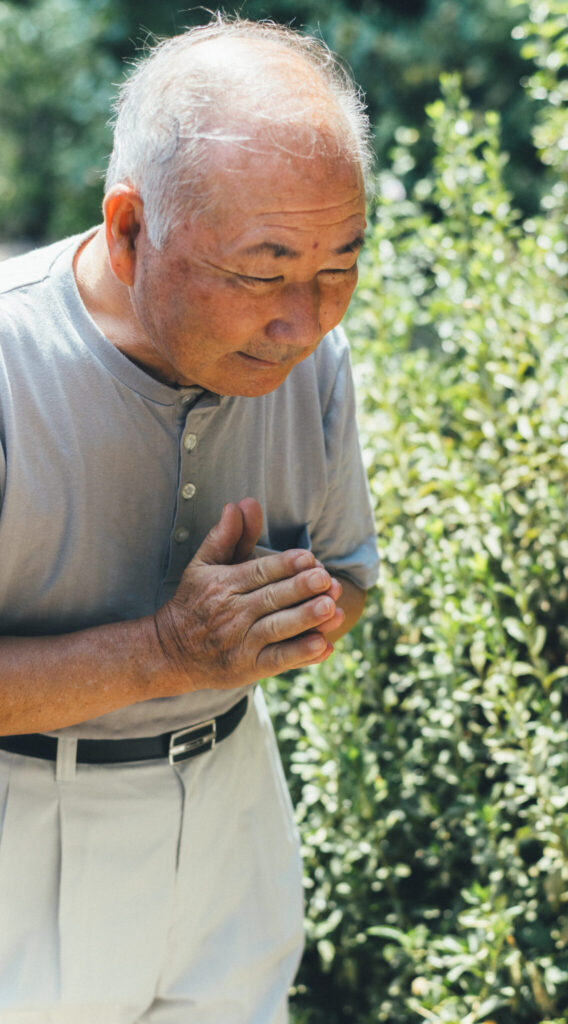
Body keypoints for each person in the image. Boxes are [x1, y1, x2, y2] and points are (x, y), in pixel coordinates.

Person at [0, 15, 378, 1024]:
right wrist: (168, 650)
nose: (305, 320)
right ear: (130, 231)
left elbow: (349, 571)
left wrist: (287, 614)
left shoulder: (312, 358)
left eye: (339, 265)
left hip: (230, 807)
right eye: (262, 270)